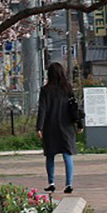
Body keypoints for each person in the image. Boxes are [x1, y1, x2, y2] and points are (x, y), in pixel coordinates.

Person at [37, 62, 82, 194]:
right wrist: (79, 123)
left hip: (50, 126)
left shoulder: (45, 90)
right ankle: (69, 183)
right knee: (67, 154)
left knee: (50, 155)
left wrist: (39, 127)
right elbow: (74, 107)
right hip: (67, 126)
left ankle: (51, 182)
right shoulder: (67, 88)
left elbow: (42, 109)